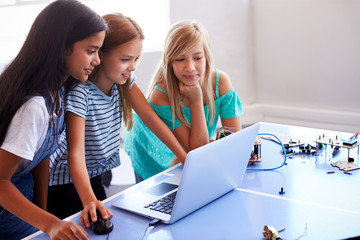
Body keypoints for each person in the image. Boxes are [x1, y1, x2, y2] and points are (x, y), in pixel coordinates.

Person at [47, 13, 187, 228]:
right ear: (100, 54)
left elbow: (150, 117)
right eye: (125, 59)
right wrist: (89, 201)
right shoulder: (80, 92)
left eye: (135, 59)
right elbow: (75, 153)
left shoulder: (125, 81)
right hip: (65, 182)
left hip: (93, 173)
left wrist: (182, 155)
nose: (132, 67)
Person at [0, 0, 107, 239]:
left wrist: (43, 213)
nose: (97, 60)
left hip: (22, 193)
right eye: (91, 51)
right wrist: (49, 224)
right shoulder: (33, 106)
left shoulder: (58, 89)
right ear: (61, 47)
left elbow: (41, 156)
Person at [123, 20, 243, 181]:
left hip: (189, 145)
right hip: (151, 148)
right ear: (170, 61)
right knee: (159, 194)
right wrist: (196, 100)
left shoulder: (220, 82)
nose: (190, 67)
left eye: (197, 57)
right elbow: (196, 149)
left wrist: (211, 145)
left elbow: (235, 139)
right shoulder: (160, 95)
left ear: (206, 56)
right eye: (180, 59)